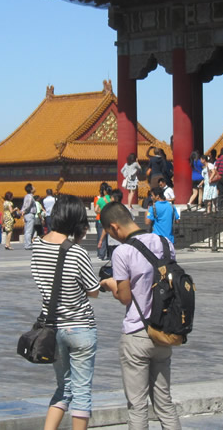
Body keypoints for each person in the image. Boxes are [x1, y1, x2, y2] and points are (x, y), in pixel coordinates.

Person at [97, 202, 182, 430]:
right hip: (163, 331)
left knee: (137, 407)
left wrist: (108, 283)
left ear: (114, 228)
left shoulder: (123, 252)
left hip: (137, 334)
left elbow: (125, 297)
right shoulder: (165, 244)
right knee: (165, 402)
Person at [29, 195, 101, 430]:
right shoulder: (77, 252)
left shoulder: (37, 246)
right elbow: (93, 291)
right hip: (80, 326)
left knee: (63, 387)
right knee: (81, 392)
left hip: (53, 328)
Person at [22, 184, 37, 250]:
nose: (34, 188)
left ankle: (27, 243)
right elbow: (27, 205)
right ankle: (28, 245)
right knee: (29, 230)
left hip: (27, 215)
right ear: (31, 189)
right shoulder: (30, 197)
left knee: (27, 230)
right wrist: (24, 211)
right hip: (29, 214)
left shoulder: (27, 196)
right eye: (33, 187)